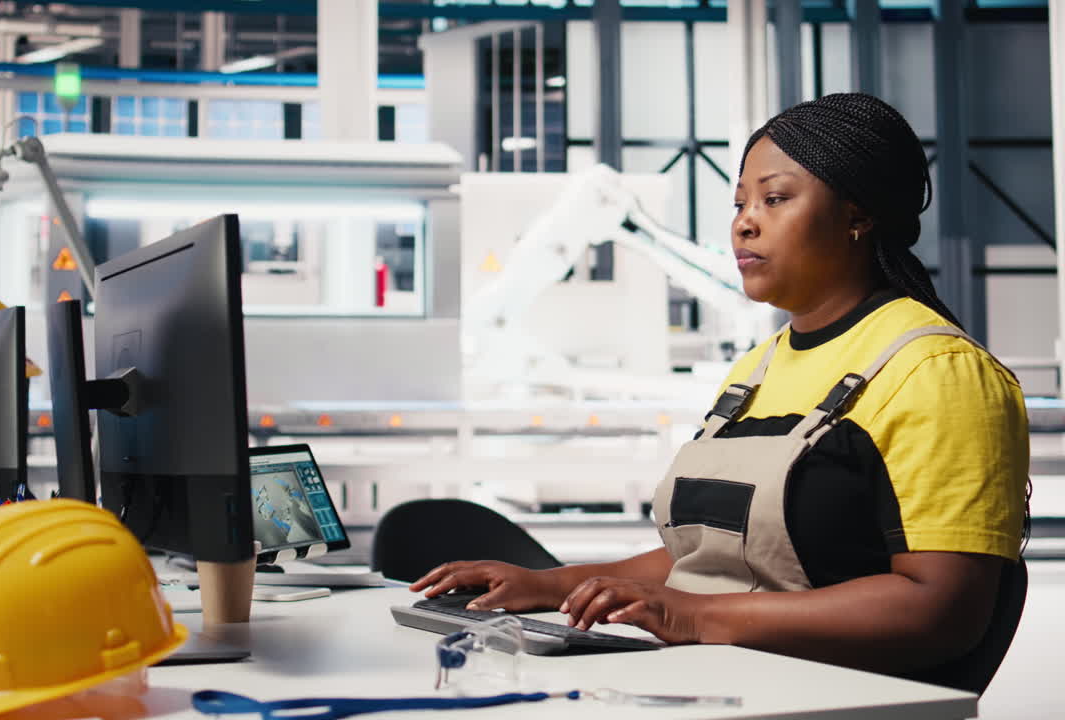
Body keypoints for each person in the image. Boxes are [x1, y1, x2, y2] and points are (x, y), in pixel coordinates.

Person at [410, 93, 1029, 685]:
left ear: (858, 216)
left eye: (775, 199)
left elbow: (941, 610)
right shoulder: (758, 368)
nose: (746, 225)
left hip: (830, 699)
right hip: (716, 678)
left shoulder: (937, 372)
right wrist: (550, 584)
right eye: (739, 205)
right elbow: (709, 555)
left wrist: (693, 616)